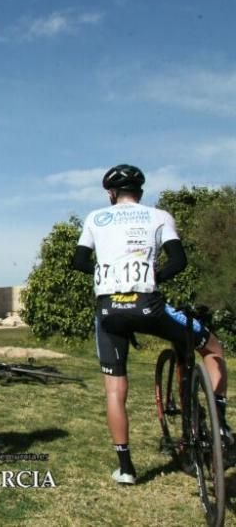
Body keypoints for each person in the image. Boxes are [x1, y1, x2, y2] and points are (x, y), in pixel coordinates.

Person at [73, 164, 230, 485]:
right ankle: (220, 424)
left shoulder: (95, 218)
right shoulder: (159, 216)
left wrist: (109, 277)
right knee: (213, 348)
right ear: (140, 192)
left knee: (115, 390)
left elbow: (78, 262)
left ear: (111, 194)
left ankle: (126, 468)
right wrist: (152, 276)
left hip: (109, 309)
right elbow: (179, 261)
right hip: (149, 305)